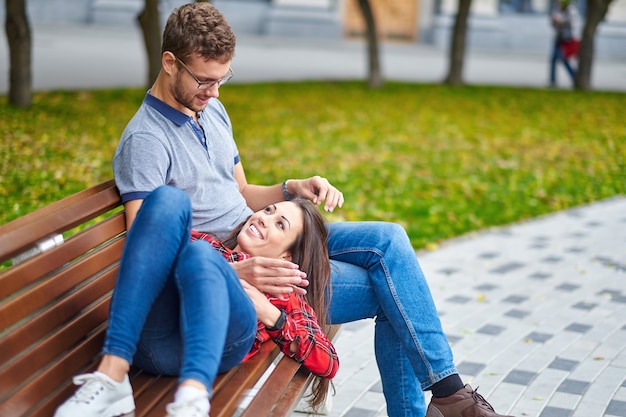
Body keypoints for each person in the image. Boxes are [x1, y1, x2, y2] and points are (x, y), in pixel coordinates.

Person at [110, 3, 514, 416]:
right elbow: (147, 245)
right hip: (235, 258)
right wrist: (227, 272)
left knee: (389, 240)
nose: (214, 93)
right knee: (391, 290)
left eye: (222, 80)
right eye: (205, 81)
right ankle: (449, 399)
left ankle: (447, 394)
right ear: (169, 63)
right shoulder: (146, 140)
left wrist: (291, 188)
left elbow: (243, 191)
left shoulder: (209, 109)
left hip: (267, 230)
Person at [53, 186, 338, 417]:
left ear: (287, 257)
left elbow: (329, 362)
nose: (263, 217)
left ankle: (193, 398)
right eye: (267, 209)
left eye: (279, 224)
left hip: (220, 347)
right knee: (170, 199)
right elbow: (151, 256)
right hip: (150, 338)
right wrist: (229, 269)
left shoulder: (282, 291)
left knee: (201, 256)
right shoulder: (204, 243)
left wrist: (269, 314)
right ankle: (113, 375)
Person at [549, 0, 578, 87]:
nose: (558, 4)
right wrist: (554, 22)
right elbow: (554, 23)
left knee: (564, 59)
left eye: (560, 2)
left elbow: (570, 23)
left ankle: (574, 76)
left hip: (565, 39)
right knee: (554, 59)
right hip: (558, 39)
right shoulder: (558, 10)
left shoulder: (571, 11)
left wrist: (559, 21)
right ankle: (553, 81)